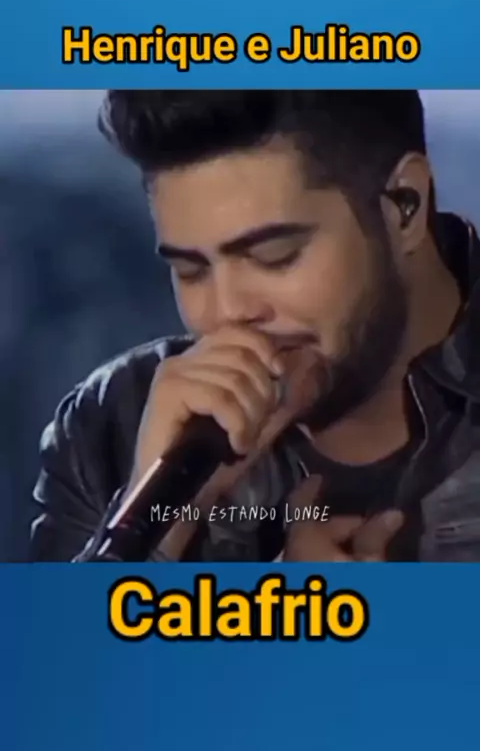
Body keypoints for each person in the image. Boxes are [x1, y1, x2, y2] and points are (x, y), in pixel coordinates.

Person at [29, 89, 480, 563]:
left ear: (405, 205)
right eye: (190, 270)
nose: (226, 312)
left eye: (274, 257)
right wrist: (155, 524)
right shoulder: (109, 428)